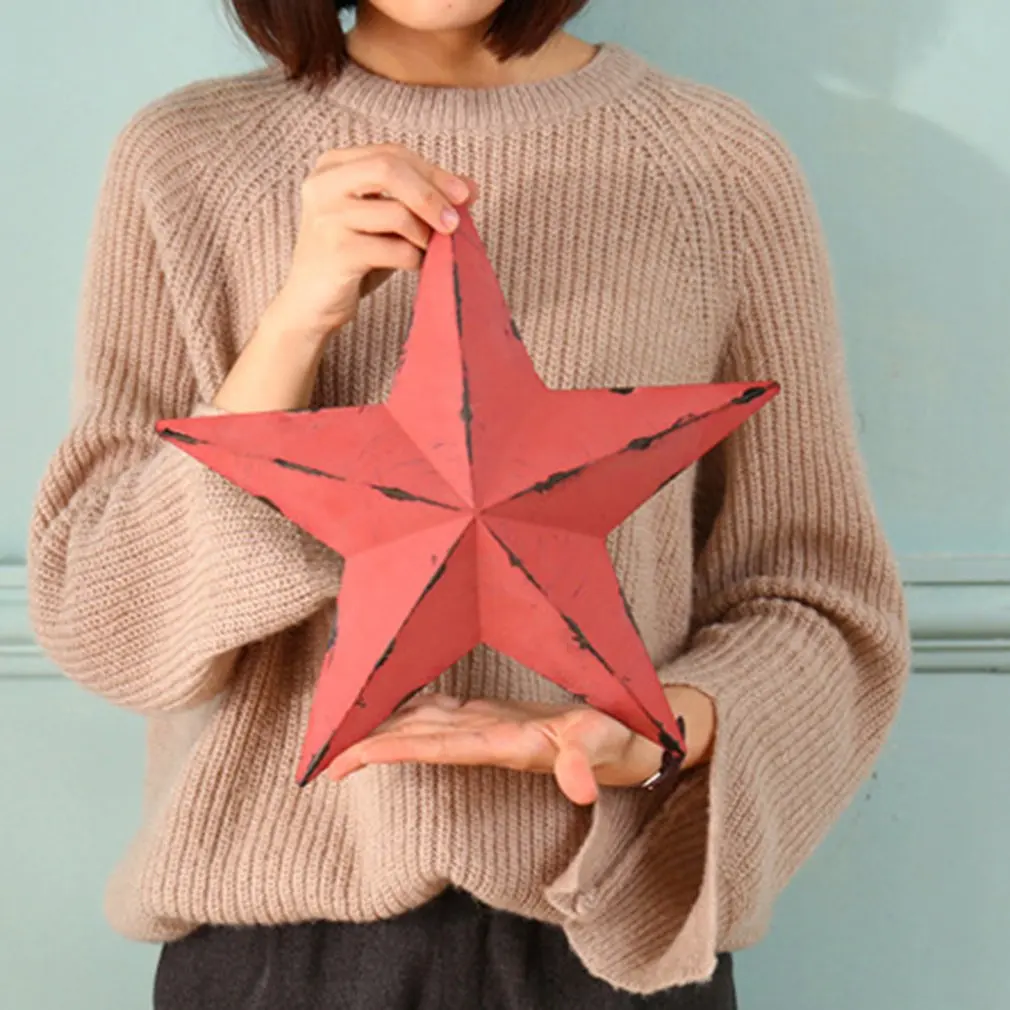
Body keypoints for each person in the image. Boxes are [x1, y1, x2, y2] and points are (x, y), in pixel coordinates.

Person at [27, 1, 911, 1007]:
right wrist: (293, 324)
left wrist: (652, 731)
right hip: (280, 956)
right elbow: (105, 627)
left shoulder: (717, 165)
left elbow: (819, 602)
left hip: (604, 942)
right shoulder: (185, 157)